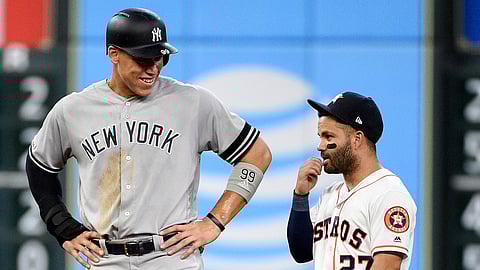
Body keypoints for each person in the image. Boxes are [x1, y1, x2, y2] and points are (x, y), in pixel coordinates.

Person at [25, 7, 271, 270]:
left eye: (160, 58)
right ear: (113, 54)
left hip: (171, 257)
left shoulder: (193, 102)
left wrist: (215, 221)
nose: (153, 68)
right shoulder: (73, 109)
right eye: (143, 58)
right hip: (104, 259)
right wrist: (61, 225)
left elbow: (257, 154)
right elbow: (39, 165)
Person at [287, 92, 416, 270]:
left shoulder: (389, 194)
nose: (320, 146)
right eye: (320, 136)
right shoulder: (330, 194)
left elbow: (387, 267)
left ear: (357, 139)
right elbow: (301, 252)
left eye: (328, 137)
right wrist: (301, 195)